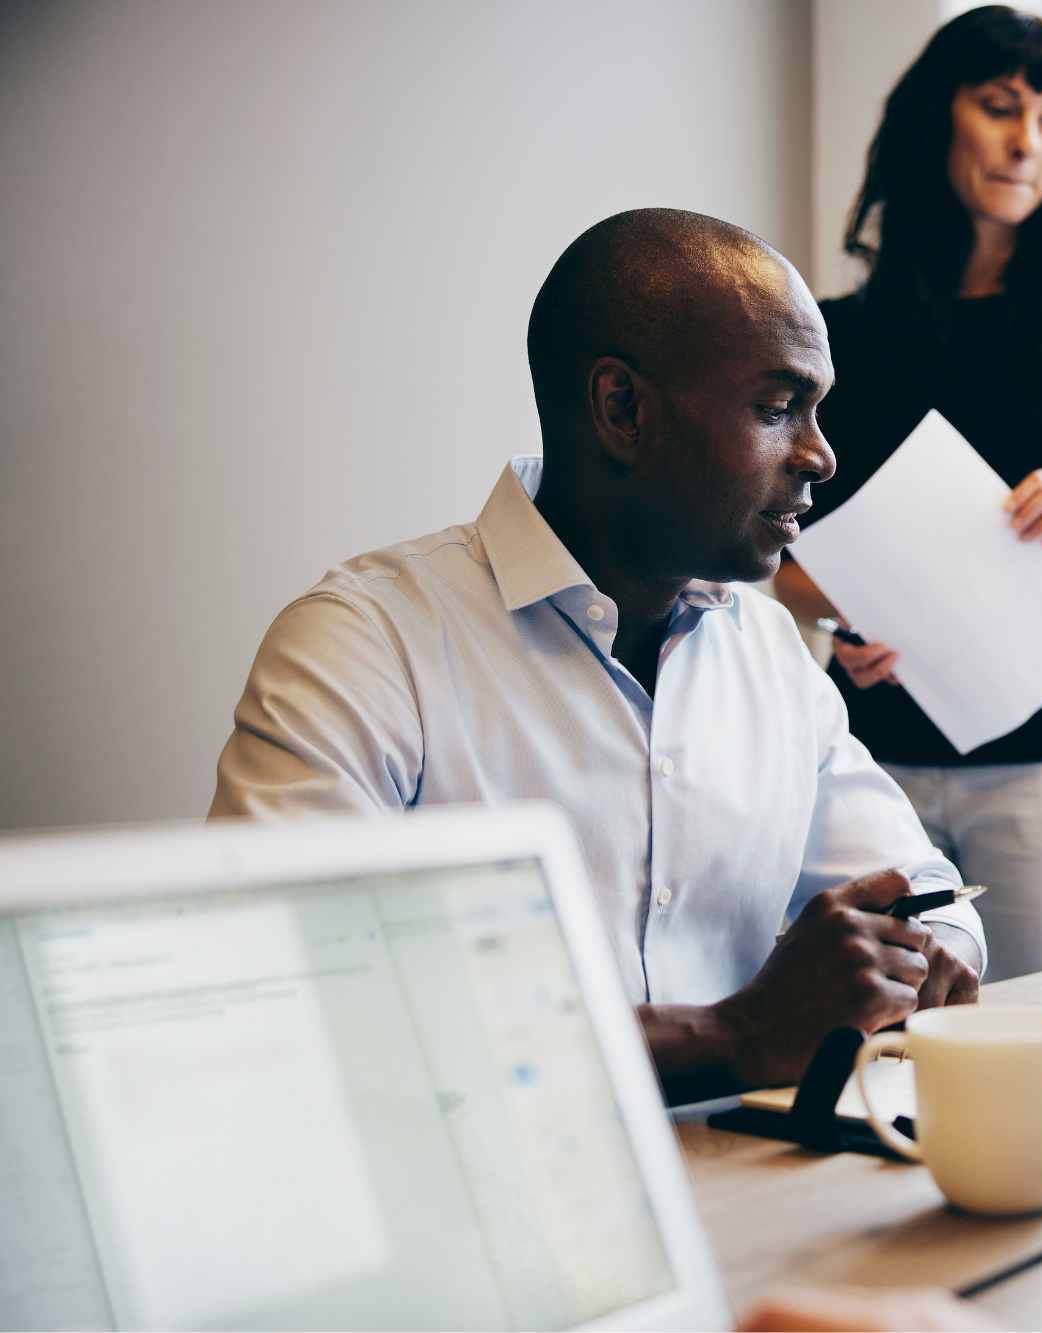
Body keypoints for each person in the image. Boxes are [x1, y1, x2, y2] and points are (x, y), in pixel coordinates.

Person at [211, 208, 983, 1103]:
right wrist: (735, 1034)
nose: (821, 455)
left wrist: (931, 950)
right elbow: (293, 991)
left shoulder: (771, 652)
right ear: (622, 409)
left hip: (767, 1183)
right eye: (778, 409)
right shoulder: (364, 642)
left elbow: (928, 888)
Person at [770, 5, 1042, 981]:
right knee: (878, 1040)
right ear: (941, 116)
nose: (1027, 141)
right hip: (870, 757)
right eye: (1000, 107)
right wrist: (844, 611)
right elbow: (778, 567)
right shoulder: (841, 333)